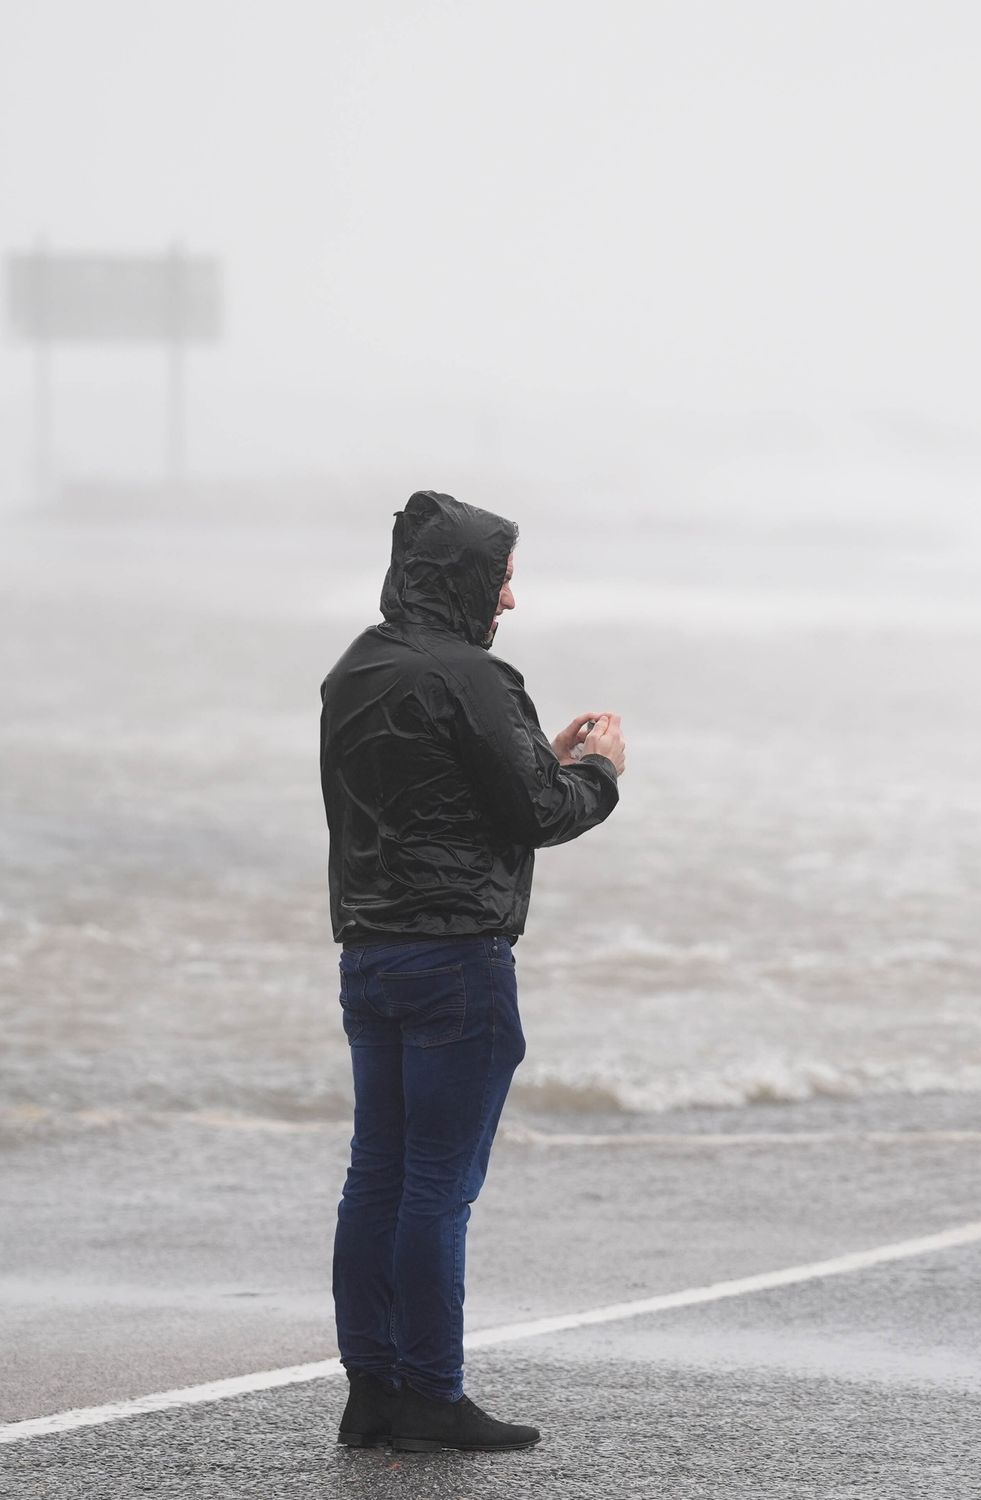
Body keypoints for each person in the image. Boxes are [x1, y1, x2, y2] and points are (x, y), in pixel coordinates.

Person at [318, 490, 627, 1453]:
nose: (509, 601)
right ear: (463, 581)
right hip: (457, 961)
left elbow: (443, 790)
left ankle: (372, 1391)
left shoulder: (354, 671)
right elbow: (538, 813)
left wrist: (546, 753)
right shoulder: (476, 678)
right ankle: (434, 1395)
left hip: (368, 954)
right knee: (437, 1185)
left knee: (377, 1177)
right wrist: (602, 772)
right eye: (500, 580)